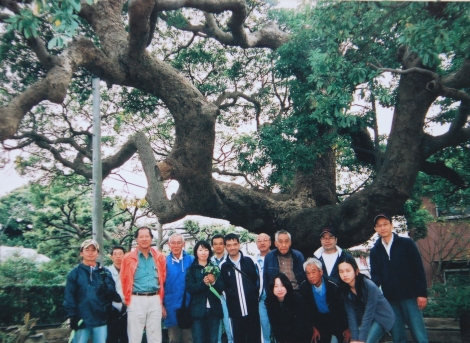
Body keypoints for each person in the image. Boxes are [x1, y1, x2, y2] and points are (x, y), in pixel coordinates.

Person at [370, 214, 429, 343]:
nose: (383, 228)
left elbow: (418, 269)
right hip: (390, 300)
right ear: (375, 229)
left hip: (410, 297)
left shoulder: (406, 244)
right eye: (379, 225)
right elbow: (376, 276)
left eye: (385, 224)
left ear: (391, 225)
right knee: (398, 336)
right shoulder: (375, 251)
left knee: (419, 335)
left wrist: (422, 294)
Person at [64, 239, 121, 343]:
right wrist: (72, 316)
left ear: (97, 253)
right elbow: (69, 296)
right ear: (81, 253)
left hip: (101, 320)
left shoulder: (105, 272)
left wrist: (107, 291)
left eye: (93, 250)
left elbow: (112, 293)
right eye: (87, 249)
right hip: (81, 320)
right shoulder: (74, 273)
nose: (90, 252)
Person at [120, 227, 167, 343]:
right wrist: (127, 299)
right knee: (134, 336)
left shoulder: (160, 257)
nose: (144, 239)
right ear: (136, 239)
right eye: (141, 237)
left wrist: (161, 302)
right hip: (135, 299)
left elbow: (163, 278)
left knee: (155, 336)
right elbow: (124, 279)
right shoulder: (128, 258)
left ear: (151, 238)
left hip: (155, 299)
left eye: (147, 236)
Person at [338, 255, 395, 343]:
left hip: (382, 317)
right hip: (367, 320)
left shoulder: (369, 286)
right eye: (341, 272)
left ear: (356, 271)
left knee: (366, 341)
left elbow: (369, 312)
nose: (344, 274)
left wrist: (361, 340)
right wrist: (354, 339)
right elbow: (351, 315)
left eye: (348, 271)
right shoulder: (345, 289)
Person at [220, 233, 261, 343]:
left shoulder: (250, 260)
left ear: (239, 244)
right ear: (225, 247)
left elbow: (259, 281)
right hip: (235, 312)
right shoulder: (223, 266)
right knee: (239, 339)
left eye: (235, 244)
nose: (232, 247)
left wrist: (254, 296)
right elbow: (223, 288)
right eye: (229, 245)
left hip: (252, 309)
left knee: (255, 338)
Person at [300, 258, 349, 343]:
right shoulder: (304, 287)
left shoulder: (333, 285)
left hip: (337, 319)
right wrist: (313, 327)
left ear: (321, 272)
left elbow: (343, 308)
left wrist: (348, 327)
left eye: (313, 272)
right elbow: (306, 310)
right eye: (308, 273)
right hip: (320, 320)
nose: (311, 276)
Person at [186, 240, 224, 343]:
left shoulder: (215, 268)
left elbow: (221, 288)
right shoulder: (192, 269)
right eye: (200, 250)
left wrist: (214, 281)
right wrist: (204, 283)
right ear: (196, 252)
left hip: (214, 310)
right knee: (198, 340)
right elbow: (190, 288)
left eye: (206, 250)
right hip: (197, 311)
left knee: (213, 339)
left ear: (209, 252)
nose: (203, 252)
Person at [164, 233, 194, 343]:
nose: (176, 245)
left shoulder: (191, 259)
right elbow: (160, 285)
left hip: (187, 306)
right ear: (168, 244)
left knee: (188, 338)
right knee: (174, 339)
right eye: (173, 243)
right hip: (170, 307)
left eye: (179, 242)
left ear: (183, 244)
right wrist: (161, 305)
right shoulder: (163, 261)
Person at [265, 273, 311, 343]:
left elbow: (299, 325)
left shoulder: (296, 298)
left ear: (287, 286)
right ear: (272, 288)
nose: (279, 289)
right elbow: (275, 326)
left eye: (282, 285)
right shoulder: (269, 302)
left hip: (301, 337)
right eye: (276, 286)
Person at [210, 235, 233, 343]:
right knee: (216, 329)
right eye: (215, 244)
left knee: (229, 327)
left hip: (227, 298)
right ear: (212, 246)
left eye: (221, 243)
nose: (218, 246)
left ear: (224, 245)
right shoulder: (209, 262)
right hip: (213, 298)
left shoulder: (230, 260)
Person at [107, 245, 128, 343]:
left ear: (125, 255)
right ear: (111, 257)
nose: (118, 257)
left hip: (128, 307)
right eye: (115, 254)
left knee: (126, 336)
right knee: (112, 336)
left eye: (120, 254)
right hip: (112, 308)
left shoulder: (130, 270)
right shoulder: (106, 271)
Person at [254, 233, 271, 343]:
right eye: (259, 241)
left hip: (276, 297)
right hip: (261, 299)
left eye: (265, 240)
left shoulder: (276, 257)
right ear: (256, 244)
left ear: (270, 242)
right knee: (264, 325)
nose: (262, 242)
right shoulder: (253, 261)